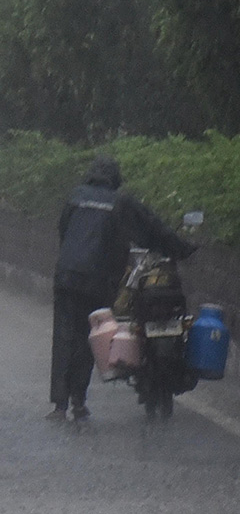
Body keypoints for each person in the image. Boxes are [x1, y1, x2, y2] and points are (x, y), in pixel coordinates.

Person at [47, 154, 196, 422]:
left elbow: (64, 231)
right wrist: (182, 249)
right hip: (99, 280)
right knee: (89, 337)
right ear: (115, 179)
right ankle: (79, 402)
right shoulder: (120, 202)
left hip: (67, 275)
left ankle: (59, 406)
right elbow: (153, 230)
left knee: (64, 338)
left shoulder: (75, 196)